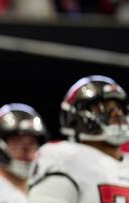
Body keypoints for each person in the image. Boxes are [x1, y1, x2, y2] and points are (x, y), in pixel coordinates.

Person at [28, 75, 129, 203]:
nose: (117, 114)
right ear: (77, 118)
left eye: (120, 108)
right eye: (103, 108)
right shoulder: (65, 157)